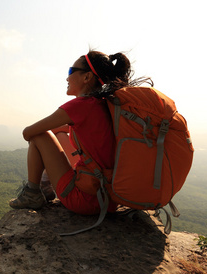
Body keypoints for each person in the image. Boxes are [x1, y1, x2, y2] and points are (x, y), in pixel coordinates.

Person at [9, 50, 152, 215]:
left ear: (87, 77)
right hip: (106, 198)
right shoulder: (103, 104)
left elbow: (28, 132)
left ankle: (33, 193)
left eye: (71, 71)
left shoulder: (80, 106)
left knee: (39, 135)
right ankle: (46, 188)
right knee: (58, 132)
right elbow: (63, 130)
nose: (67, 77)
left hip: (83, 199)